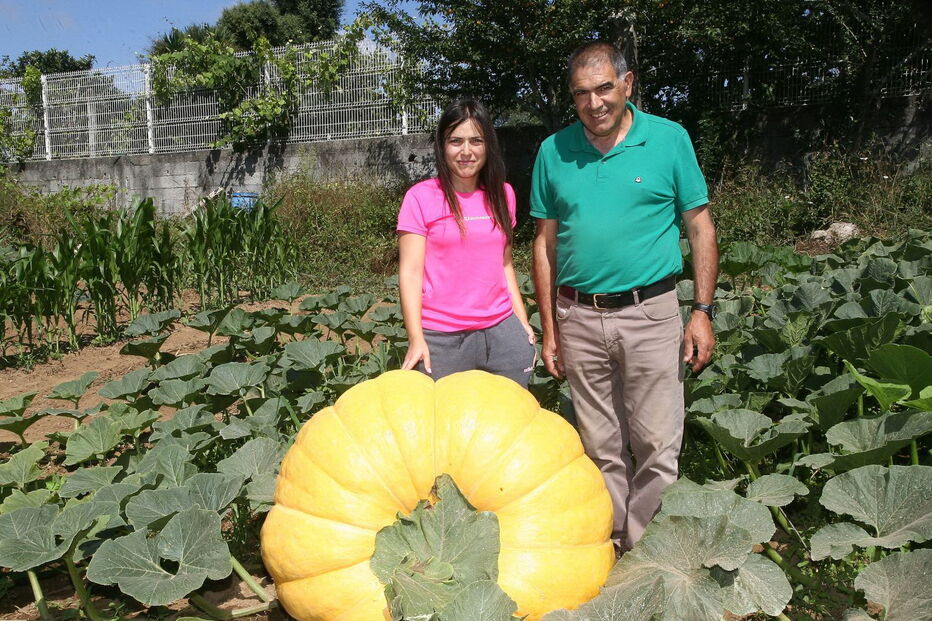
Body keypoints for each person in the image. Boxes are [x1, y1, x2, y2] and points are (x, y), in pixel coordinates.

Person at [530, 41, 719, 551]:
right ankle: (611, 546)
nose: (594, 103)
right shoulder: (553, 152)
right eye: (581, 93)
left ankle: (647, 552)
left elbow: (700, 228)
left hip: (650, 313)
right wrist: (550, 328)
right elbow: (544, 245)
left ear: (627, 84)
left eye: (604, 89)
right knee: (599, 445)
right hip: (578, 316)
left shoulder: (669, 139)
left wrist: (701, 311)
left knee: (657, 445)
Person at [397, 97, 536, 387]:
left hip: (502, 333)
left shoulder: (504, 194)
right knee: (440, 416)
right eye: (456, 141)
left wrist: (521, 322)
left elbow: (505, 264)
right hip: (441, 339)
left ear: (488, 146)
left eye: (476, 141)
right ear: (442, 145)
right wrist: (416, 338)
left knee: (509, 413)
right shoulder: (420, 197)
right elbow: (410, 272)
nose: (466, 151)